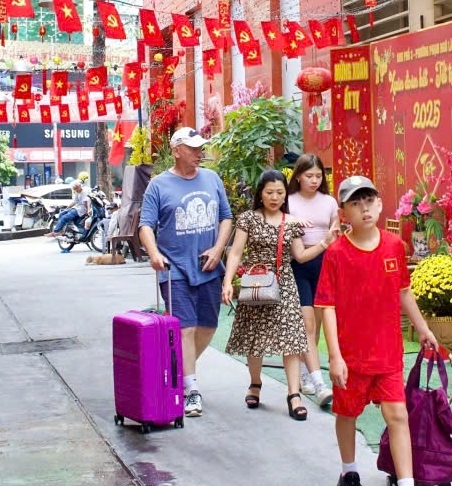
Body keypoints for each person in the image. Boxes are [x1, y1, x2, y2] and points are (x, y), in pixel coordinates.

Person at [317, 176, 437, 486]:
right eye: (355, 203)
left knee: (397, 414)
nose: (364, 209)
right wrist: (335, 357)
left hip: (387, 353)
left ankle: (407, 481)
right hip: (351, 356)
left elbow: (403, 292)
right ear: (343, 213)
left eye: (369, 201)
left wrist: (423, 328)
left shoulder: (394, 245)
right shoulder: (336, 253)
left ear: (380, 205)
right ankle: (349, 470)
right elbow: (327, 307)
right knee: (347, 413)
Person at [221, 170, 335, 420]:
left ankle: (293, 394)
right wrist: (228, 282)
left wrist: (324, 244)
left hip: (285, 285)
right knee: (255, 337)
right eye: (270, 192)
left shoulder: (291, 222)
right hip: (256, 284)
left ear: (286, 195)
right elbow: (236, 252)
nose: (274, 197)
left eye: (279, 192)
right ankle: (255, 383)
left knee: (291, 339)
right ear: (261, 194)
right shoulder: (248, 219)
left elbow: (300, 256)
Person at [139, 127, 233, 418]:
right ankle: (191, 390)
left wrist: (218, 249)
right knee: (185, 328)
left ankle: (179, 371)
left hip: (208, 267)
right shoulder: (158, 185)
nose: (198, 153)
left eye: (200, 148)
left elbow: (226, 218)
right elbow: (145, 226)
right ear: (176, 149)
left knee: (208, 326)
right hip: (175, 268)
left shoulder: (212, 178)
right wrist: (154, 254)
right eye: (192, 148)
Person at [286, 154, 339, 408]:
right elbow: (279, 222)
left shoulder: (329, 201)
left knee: (316, 323)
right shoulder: (289, 201)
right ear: (298, 176)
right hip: (299, 262)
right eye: (309, 176)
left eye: (319, 176)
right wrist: (294, 221)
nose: (314, 180)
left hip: (324, 263)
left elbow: (335, 231)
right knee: (306, 322)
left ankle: (308, 370)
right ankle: (312, 377)